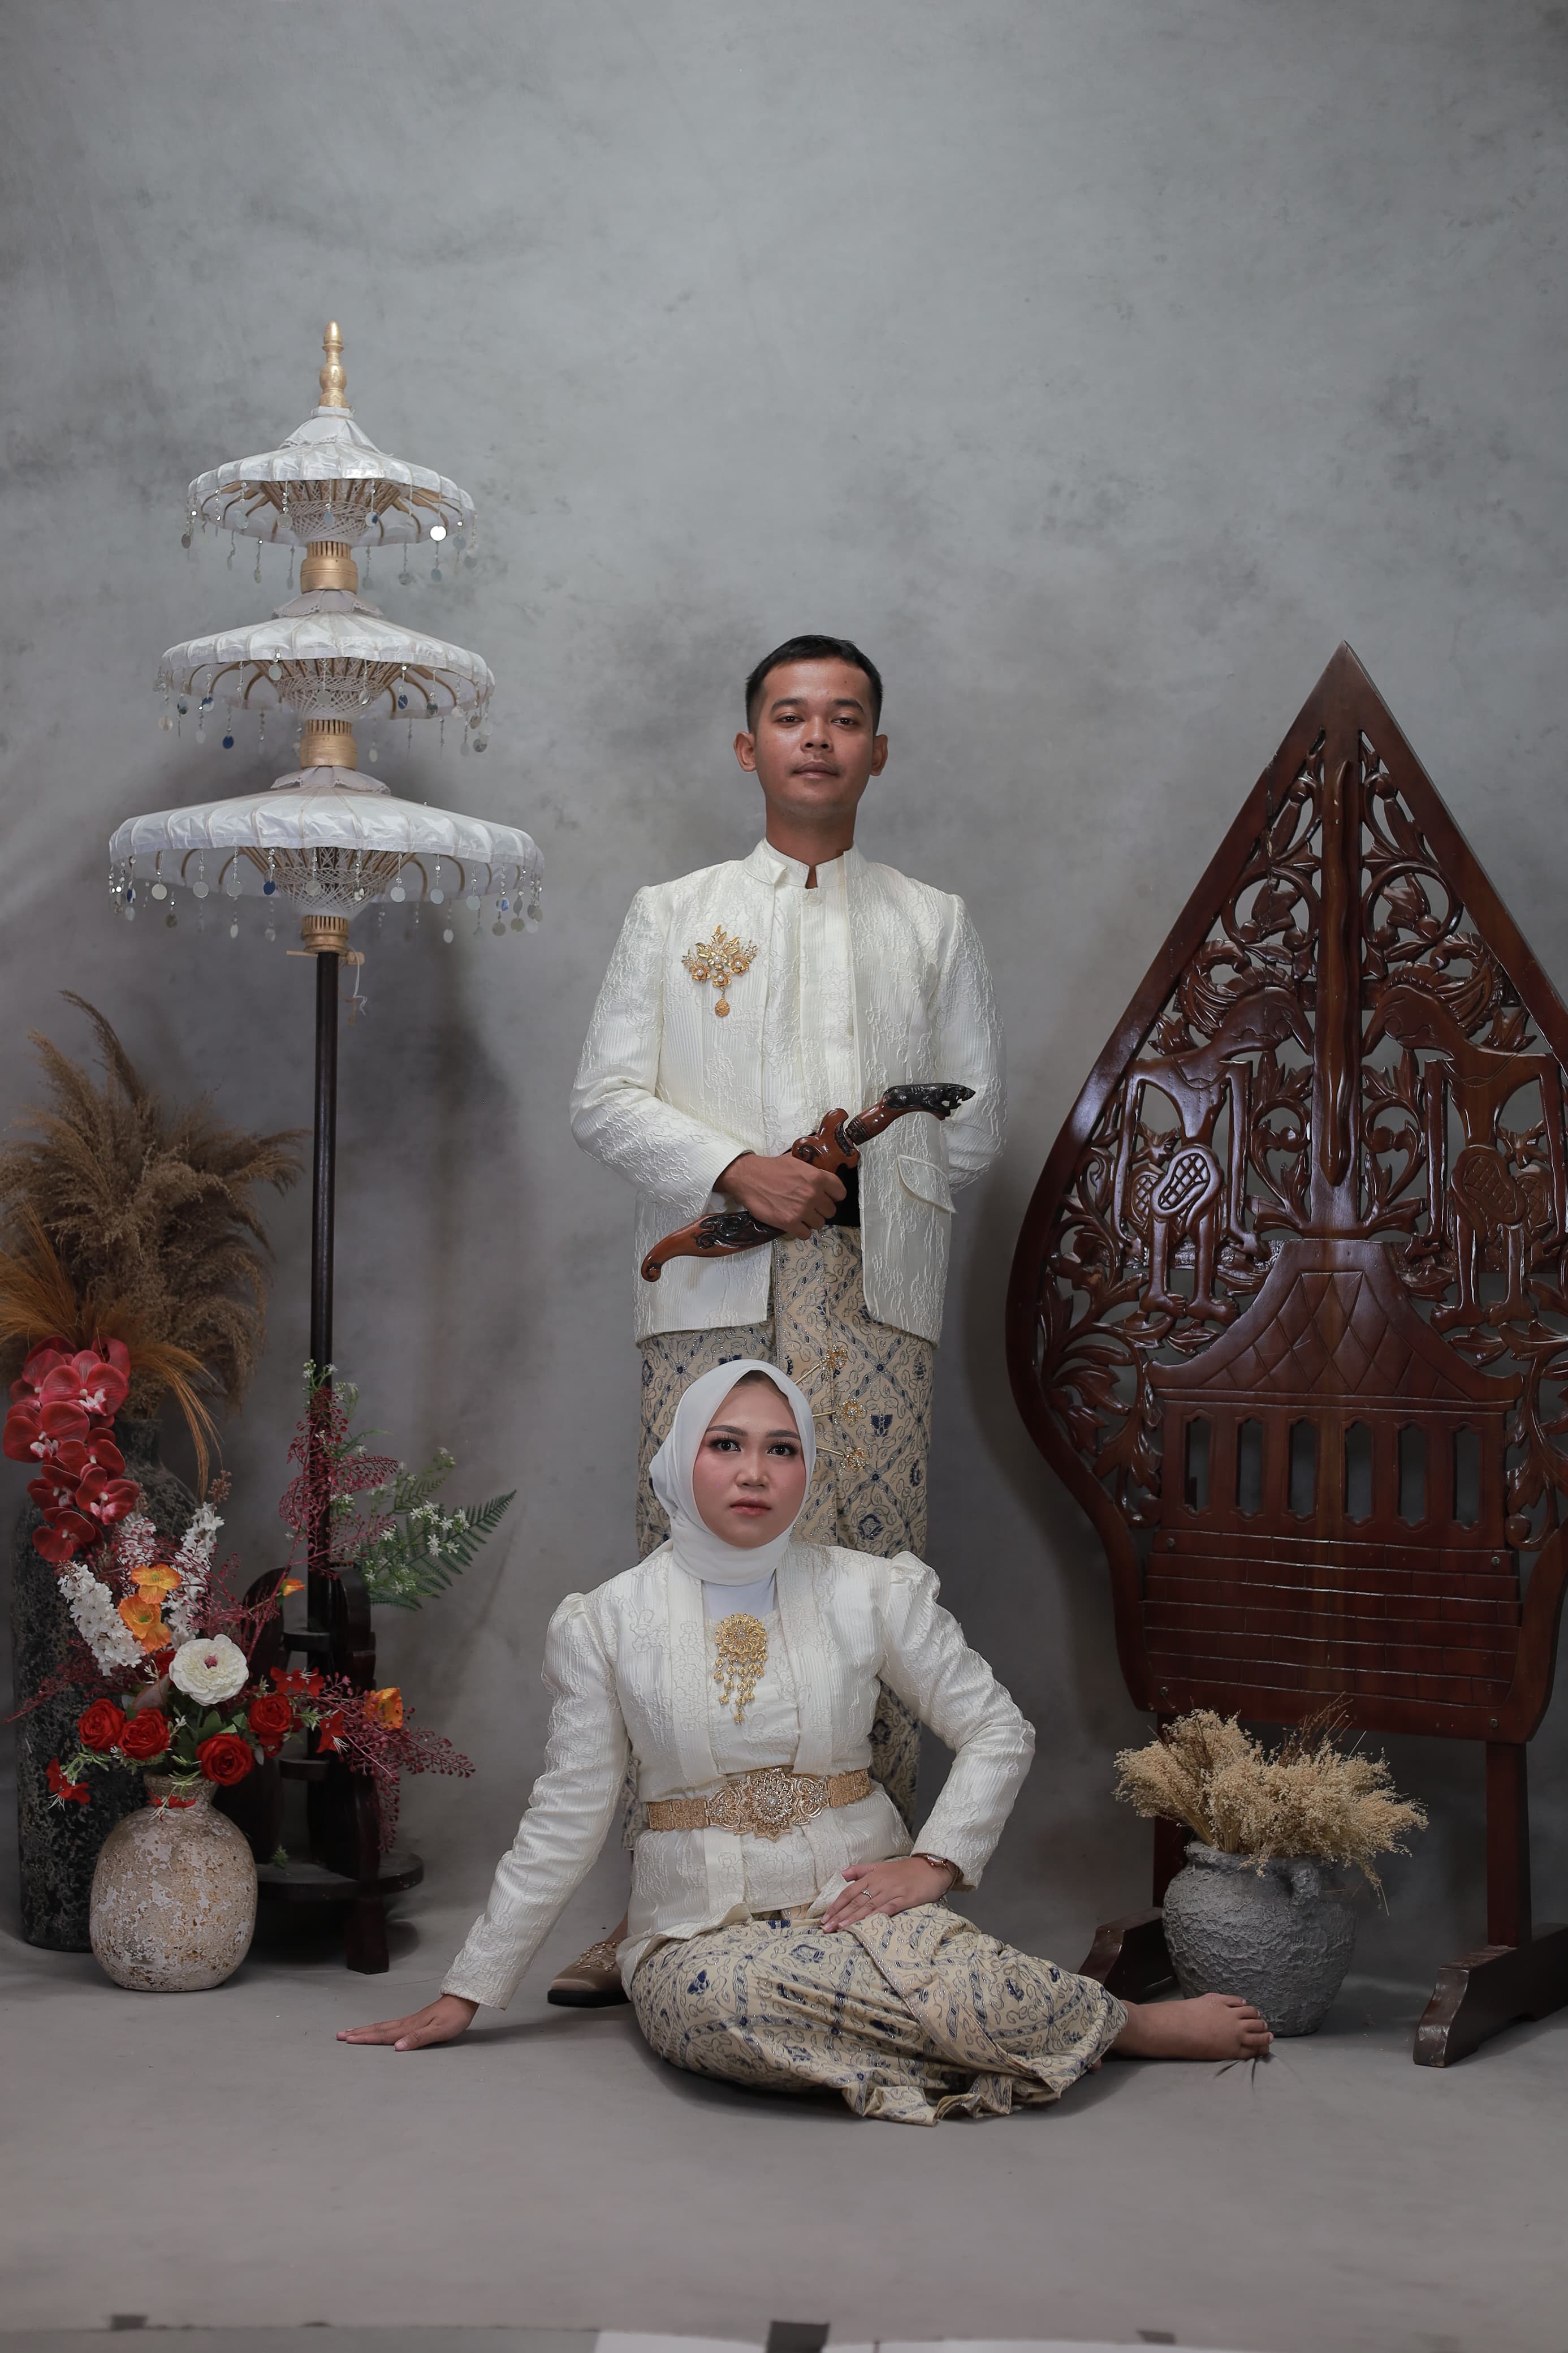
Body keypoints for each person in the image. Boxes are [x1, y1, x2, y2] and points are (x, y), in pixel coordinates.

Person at [342, 1364, 1272, 2122]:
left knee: (945, 1973)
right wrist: (470, 1988)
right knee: (720, 2009)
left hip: (857, 1904)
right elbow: (567, 1814)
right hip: (702, 1934)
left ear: (806, 1467)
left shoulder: (869, 1591)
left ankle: (1115, 2024)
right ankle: (1059, 2025)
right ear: (681, 1459)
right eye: (726, 1445)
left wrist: (935, 1864)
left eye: (780, 1450)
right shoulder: (607, 1622)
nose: (754, 1472)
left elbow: (995, 1727)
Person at [547, 633, 1006, 2003]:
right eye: (791, 716)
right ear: (748, 748)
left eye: (845, 717)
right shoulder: (674, 911)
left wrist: (857, 1182)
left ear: (879, 750)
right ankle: (654, 1906)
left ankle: (885, 1892)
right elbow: (602, 1097)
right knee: (686, 1582)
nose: (818, 737)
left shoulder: (930, 921)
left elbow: (973, 1127)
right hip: (709, 1291)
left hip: (872, 1302)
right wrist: (735, 1170)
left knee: (872, 1582)